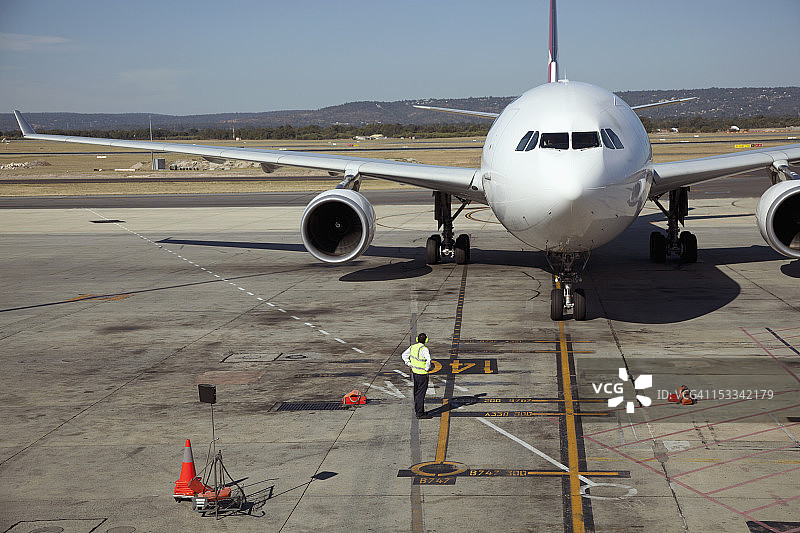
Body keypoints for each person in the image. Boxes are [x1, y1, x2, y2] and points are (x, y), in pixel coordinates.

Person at [402, 333, 432, 418]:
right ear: (426, 340)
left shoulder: (412, 347)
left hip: (415, 373)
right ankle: (420, 413)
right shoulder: (424, 349)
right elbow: (428, 360)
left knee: (416, 392)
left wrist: (409, 364)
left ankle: (418, 409)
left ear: (417, 339)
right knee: (421, 394)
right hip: (422, 375)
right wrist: (426, 368)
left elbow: (404, 355)